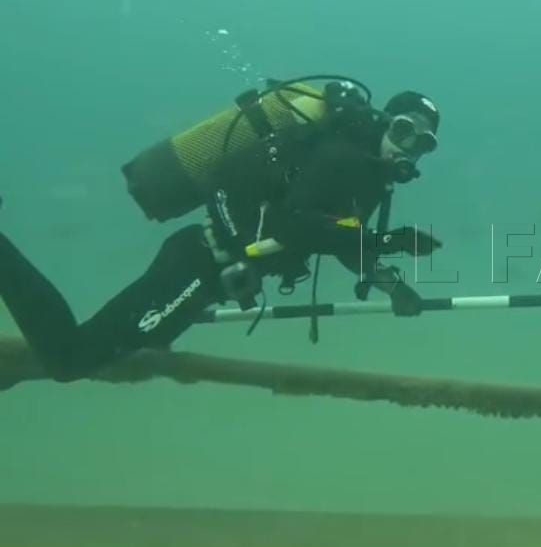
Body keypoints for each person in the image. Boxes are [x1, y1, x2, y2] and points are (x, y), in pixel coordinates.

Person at [0, 75, 443, 383]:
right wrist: (390, 241)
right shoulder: (341, 159)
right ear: (385, 121)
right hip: (200, 266)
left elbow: (343, 237)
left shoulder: (366, 177)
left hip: (210, 273)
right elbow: (298, 227)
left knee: (114, 355)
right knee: (71, 358)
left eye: (423, 143)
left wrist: (392, 286)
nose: (410, 148)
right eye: (404, 131)